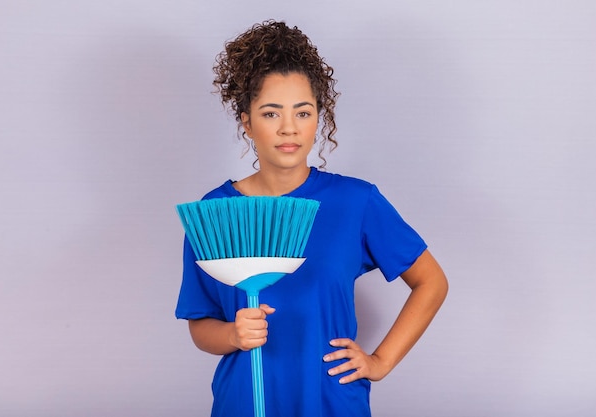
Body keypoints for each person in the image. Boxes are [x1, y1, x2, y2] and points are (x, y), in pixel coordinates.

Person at [176, 20, 448, 417]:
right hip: (245, 401)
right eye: (271, 114)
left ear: (318, 117)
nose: (289, 128)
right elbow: (200, 325)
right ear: (247, 121)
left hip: (331, 401)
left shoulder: (355, 202)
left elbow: (431, 282)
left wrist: (380, 361)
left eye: (303, 112)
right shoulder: (216, 212)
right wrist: (233, 334)